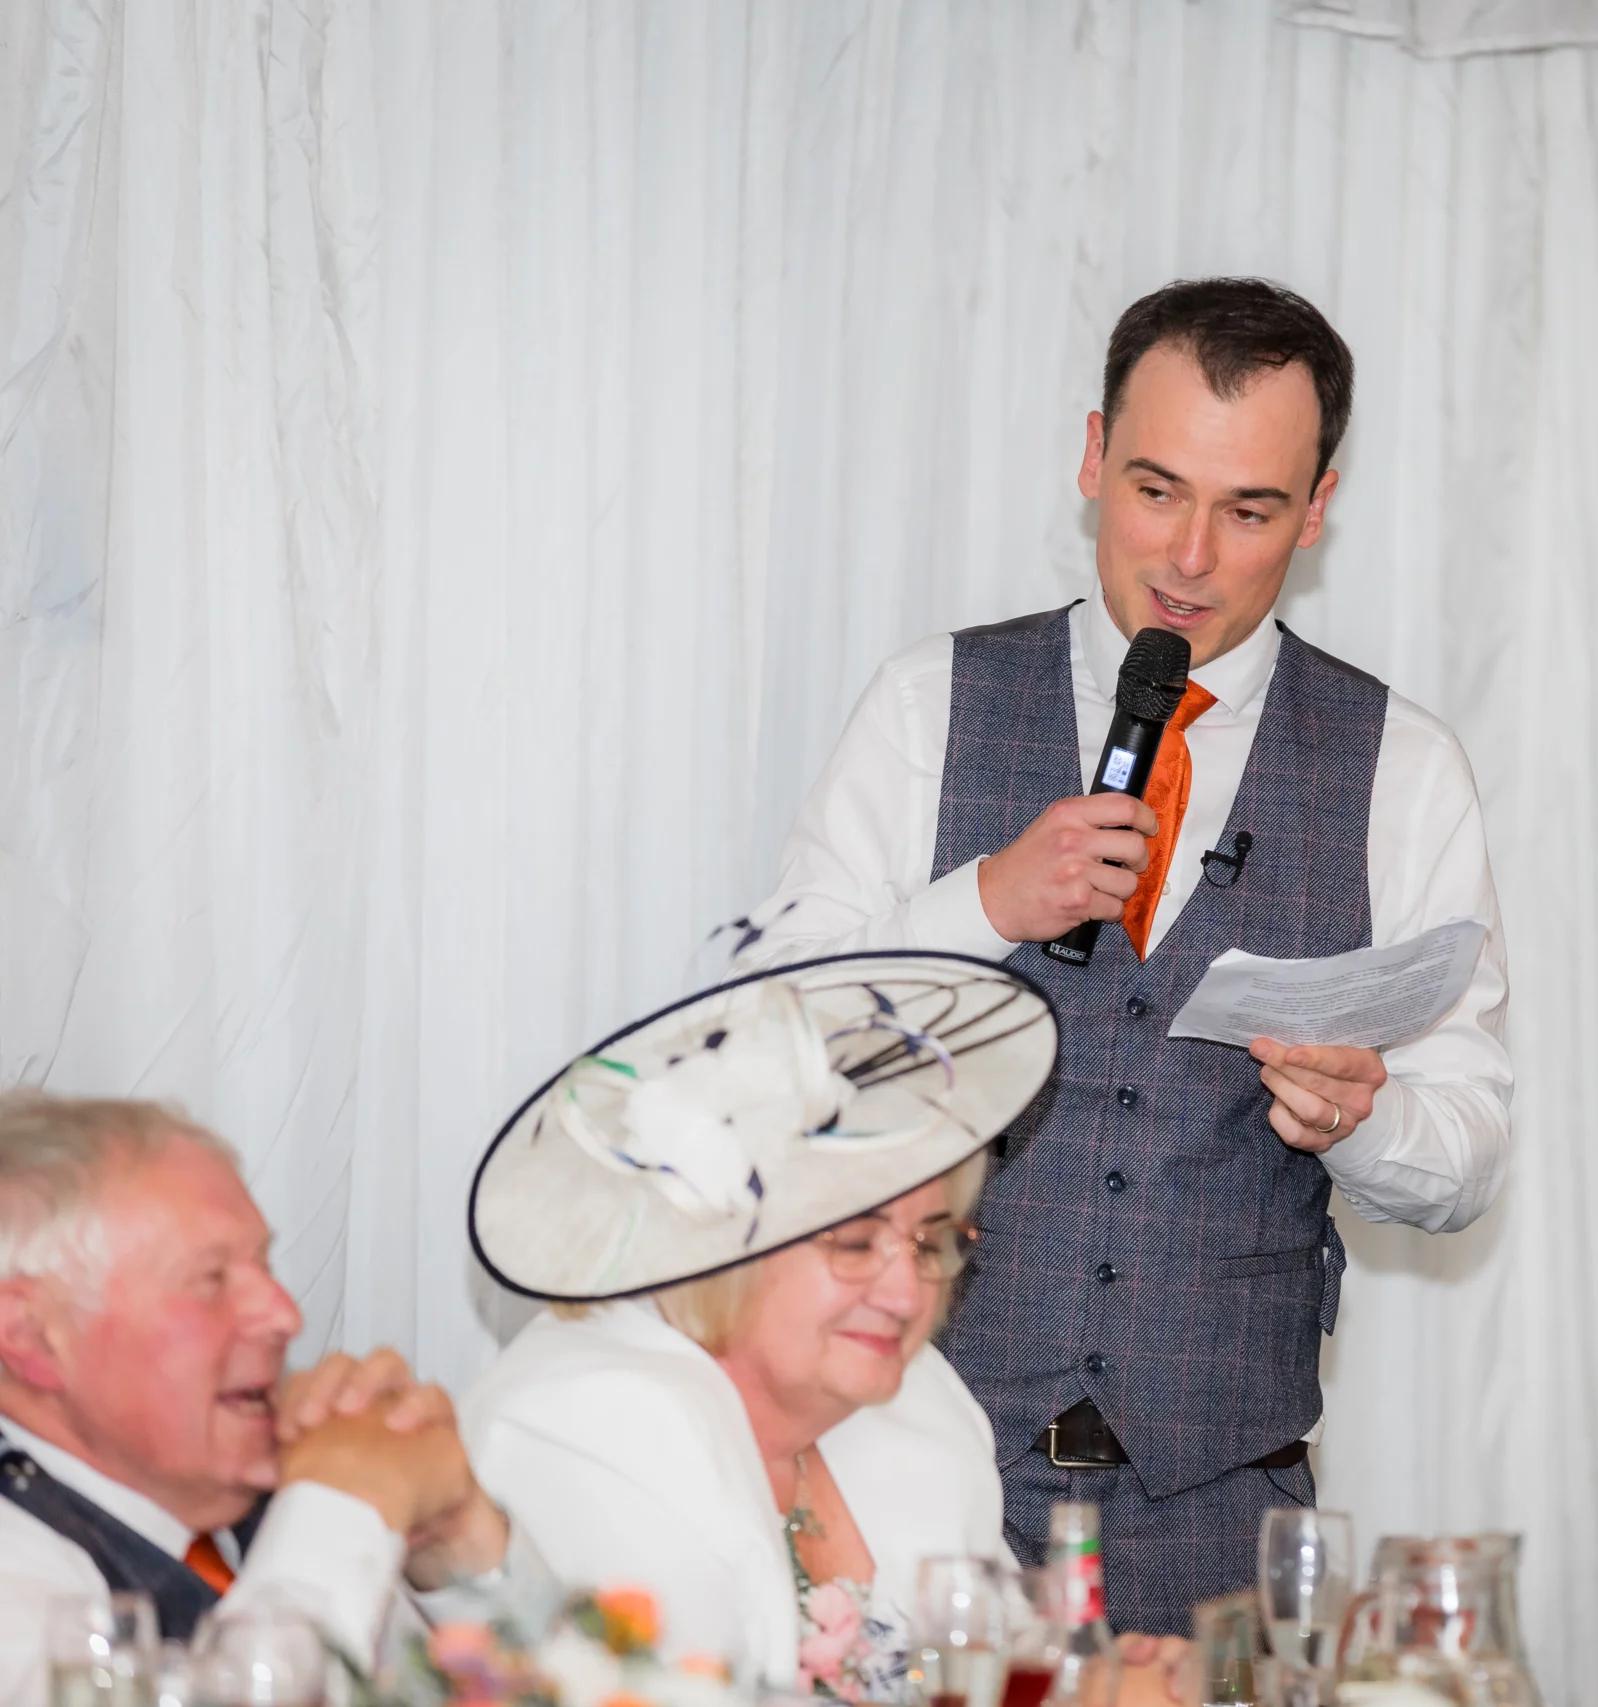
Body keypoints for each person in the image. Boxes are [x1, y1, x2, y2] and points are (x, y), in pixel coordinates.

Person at [731, 276, 1513, 1630]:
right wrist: (980, 900)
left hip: (1220, 1515)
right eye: (1156, 489)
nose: (1191, 556)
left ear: (1319, 507)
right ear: (1092, 456)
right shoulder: (929, 704)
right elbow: (761, 1054)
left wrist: (1360, 1121)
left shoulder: (1406, 766)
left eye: (1251, 508)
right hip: (908, 1475)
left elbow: (1470, 1149)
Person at [461, 952, 1179, 1700]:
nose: (906, 1293)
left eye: (930, 1240)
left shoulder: (922, 1401)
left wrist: (1093, 1680)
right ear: (725, 1245)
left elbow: (993, 1668)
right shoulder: (580, 1427)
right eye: (856, 1240)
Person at [0, 1092, 537, 1697]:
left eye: (265, 1267)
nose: (283, 1316)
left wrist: (458, 1542)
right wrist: (346, 1499)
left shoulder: (263, 1510)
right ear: (31, 1335)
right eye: (211, 1279)